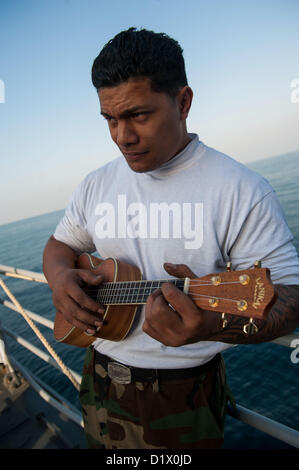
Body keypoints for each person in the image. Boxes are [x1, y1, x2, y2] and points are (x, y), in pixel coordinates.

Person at [43, 27, 299, 450]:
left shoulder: (241, 189)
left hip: (182, 395)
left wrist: (212, 326)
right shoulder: (96, 183)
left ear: (183, 102)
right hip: (98, 374)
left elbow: (291, 297)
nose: (122, 136)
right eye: (110, 119)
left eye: (138, 115)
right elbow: (61, 246)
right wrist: (59, 280)